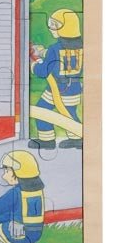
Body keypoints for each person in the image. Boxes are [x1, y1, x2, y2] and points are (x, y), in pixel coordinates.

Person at [29, 8, 83, 150]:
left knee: (42, 110)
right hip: (74, 89)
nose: (50, 27)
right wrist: (43, 52)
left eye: (54, 24)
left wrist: (33, 64)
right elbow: (63, 56)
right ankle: (77, 139)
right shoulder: (82, 46)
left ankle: (47, 140)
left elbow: (44, 71)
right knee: (69, 114)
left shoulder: (55, 48)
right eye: (50, 24)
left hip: (57, 89)